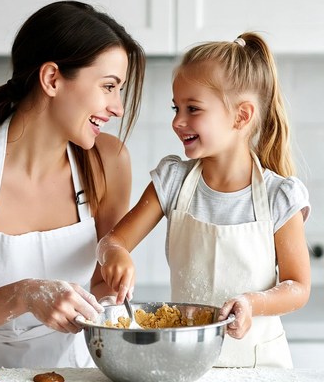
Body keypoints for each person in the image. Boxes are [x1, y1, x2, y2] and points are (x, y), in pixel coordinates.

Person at [0, 0, 145, 368]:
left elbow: (102, 286)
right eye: (108, 86)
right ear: (52, 79)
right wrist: (25, 295)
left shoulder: (110, 161)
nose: (118, 107)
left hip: (76, 369)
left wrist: (115, 274)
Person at [97, 32, 311, 368]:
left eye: (192, 109)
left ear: (241, 116)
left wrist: (252, 302)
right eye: (176, 107)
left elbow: (298, 286)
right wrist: (115, 255)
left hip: (260, 366)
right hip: (188, 364)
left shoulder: (279, 196)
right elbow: (114, 241)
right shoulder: (172, 182)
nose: (177, 121)